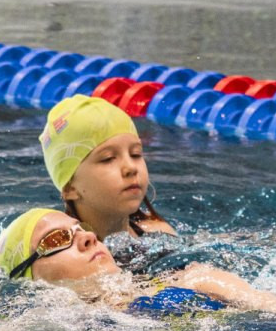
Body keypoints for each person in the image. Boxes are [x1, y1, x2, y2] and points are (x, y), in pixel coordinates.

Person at [0, 207, 276, 318]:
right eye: (57, 240)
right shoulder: (52, 325)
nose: (87, 238)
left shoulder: (191, 278)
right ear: (30, 278)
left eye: (81, 230)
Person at [40, 94, 175, 244]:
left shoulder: (158, 231)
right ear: (70, 188)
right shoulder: (67, 258)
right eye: (108, 158)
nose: (131, 167)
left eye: (135, 154)